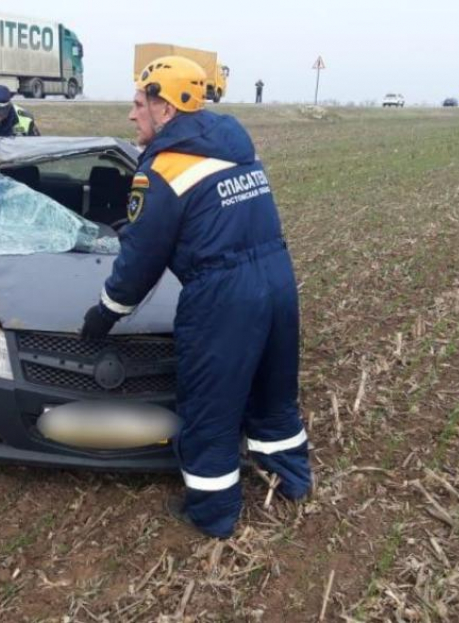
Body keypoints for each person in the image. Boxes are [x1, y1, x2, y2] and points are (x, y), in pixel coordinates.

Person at [80, 57, 311, 538]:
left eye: (139, 103)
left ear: (165, 108)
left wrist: (106, 311)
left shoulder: (164, 169)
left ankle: (213, 514)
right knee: (274, 391)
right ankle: (292, 478)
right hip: (277, 279)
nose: (132, 114)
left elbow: (141, 259)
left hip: (222, 295)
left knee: (210, 406)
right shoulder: (235, 144)